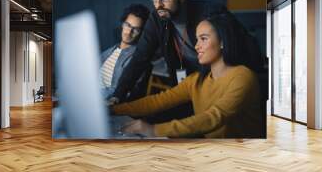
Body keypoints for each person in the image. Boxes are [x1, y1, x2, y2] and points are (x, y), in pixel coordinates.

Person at [109, 0, 263, 105]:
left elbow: (245, 47)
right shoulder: (157, 19)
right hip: (188, 83)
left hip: (222, 81)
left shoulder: (211, 12)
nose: (159, 4)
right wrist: (117, 95)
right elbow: (139, 59)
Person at [111, 14, 263, 138]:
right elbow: (158, 101)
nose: (196, 46)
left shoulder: (243, 76)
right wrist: (114, 109)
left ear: (222, 42)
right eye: (197, 39)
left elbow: (214, 117)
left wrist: (154, 130)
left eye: (203, 39)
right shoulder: (197, 80)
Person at [100, 4, 150, 100]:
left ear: (141, 33)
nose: (129, 32)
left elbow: (123, 93)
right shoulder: (110, 51)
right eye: (128, 25)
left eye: (136, 29)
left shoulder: (137, 60)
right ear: (123, 24)